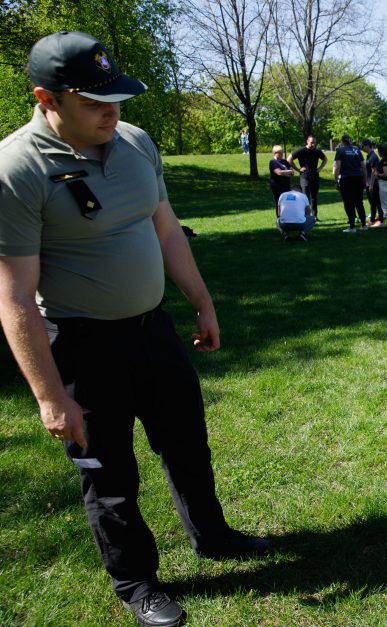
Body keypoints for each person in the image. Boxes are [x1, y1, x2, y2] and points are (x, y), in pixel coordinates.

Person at [0, 31, 271, 627]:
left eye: (116, 98)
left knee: (186, 445)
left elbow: (167, 231)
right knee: (110, 477)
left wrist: (201, 301)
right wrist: (49, 396)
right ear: (46, 98)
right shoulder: (15, 169)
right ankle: (137, 583)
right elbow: (15, 296)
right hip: (82, 345)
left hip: (154, 329)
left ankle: (213, 536)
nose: (112, 111)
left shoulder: (135, 142)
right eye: (94, 102)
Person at [332, 134, 368, 233]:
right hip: (358, 178)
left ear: (342, 141)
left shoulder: (340, 151)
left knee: (348, 203)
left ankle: (352, 227)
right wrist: (364, 180)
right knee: (359, 202)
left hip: (346, 179)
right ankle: (364, 225)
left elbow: (338, 166)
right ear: (350, 141)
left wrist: (336, 180)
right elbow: (363, 167)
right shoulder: (357, 150)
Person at [288, 135, 326, 219]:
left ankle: (314, 216)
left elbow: (325, 159)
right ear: (307, 142)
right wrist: (298, 169)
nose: (313, 144)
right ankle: (305, 216)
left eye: (315, 143)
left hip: (315, 176)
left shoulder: (317, 151)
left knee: (314, 197)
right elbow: (289, 159)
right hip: (304, 177)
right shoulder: (301, 150)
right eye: (312, 143)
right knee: (305, 198)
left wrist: (319, 168)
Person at [361, 139, 382, 226]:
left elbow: (374, 172)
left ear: (367, 146)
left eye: (362, 146)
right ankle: (373, 219)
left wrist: (371, 185)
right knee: (372, 203)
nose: (362, 148)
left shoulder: (373, 157)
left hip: (373, 184)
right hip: (368, 183)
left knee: (376, 202)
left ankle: (380, 220)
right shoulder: (369, 156)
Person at [269, 144, 293, 209]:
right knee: (279, 202)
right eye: (280, 153)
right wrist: (288, 172)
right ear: (275, 153)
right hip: (277, 186)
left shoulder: (285, 161)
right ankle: (279, 217)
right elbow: (279, 173)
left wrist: (286, 172)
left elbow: (292, 172)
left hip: (286, 185)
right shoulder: (273, 162)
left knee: (288, 201)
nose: (282, 154)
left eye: (282, 152)